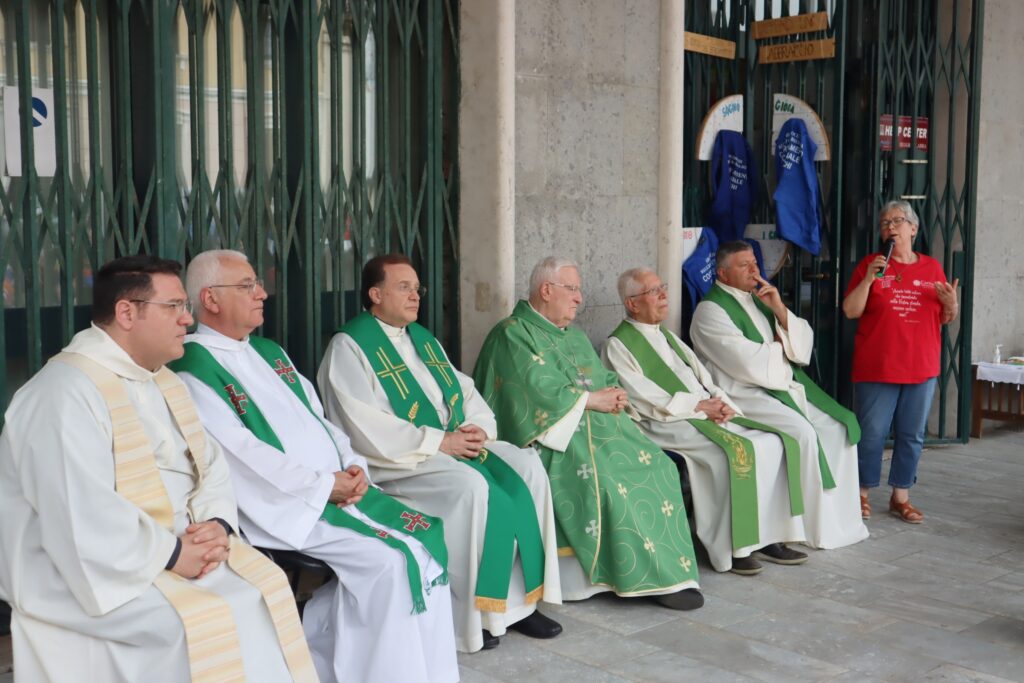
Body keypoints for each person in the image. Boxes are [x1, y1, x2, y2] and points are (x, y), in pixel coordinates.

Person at [0, 255, 316, 682]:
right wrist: (170, 553)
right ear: (127, 312)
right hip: (88, 574)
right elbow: (79, 512)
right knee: (208, 621)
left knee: (267, 591)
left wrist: (218, 525)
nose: (187, 319)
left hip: (174, 550)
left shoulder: (162, 380)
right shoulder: (64, 392)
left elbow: (210, 467)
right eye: (174, 307)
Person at [171, 250, 458, 683]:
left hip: (337, 490)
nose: (262, 293)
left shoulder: (269, 352)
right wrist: (323, 486)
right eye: (248, 285)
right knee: (390, 564)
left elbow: (321, 421)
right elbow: (240, 453)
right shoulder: (194, 367)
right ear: (210, 299)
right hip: (287, 504)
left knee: (426, 539)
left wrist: (354, 466)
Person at [317, 254, 563, 653]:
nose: (415, 296)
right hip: (397, 462)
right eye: (404, 288)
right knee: (469, 486)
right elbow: (364, 425)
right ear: (375, 294)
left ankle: (519, 604)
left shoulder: (422, 339)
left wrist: (478, 426)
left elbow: (464, 389)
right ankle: (474, 615)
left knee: (528, 465)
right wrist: (439, 443)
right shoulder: (349, 347)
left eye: (417, 288)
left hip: (445, 446)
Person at [473, 256, 704, 610]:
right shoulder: (511, 333)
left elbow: (602, 378)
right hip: (555, 436)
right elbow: (531, 392)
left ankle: (667, 572)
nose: (580, 298)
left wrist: (615, 395)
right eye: (573, 289)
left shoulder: (576, 337)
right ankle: (624, 573)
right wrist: (589, 400)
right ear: (546, 290)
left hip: (603, 427)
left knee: (660, 466)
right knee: (611, 479)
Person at [603, 267, 808, 575]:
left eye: (663, 287)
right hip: (665, 422)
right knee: (735, 453)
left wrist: (720, 402)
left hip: (701, 413)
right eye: (654, 291)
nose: (663, 296)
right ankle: (735, 548)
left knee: (773, 442)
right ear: (632, 303)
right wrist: (700, 407)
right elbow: (642, 397)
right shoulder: (617, 345)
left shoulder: (668, 337)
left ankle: (768, 537)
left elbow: (703, 376)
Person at [690, 242, 869, 549]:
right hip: (744, 393)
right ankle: (807, 527)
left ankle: (838, 520)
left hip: (779, 385)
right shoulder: (710, 310)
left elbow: (800, 346)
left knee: (838, 427)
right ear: (722, 273)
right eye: (744, 265)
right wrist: (779, 349)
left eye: (754, 263)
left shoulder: (759, 300)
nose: (754, 270)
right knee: (803, 433)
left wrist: (779, 310)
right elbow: (746, 362)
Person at [842, 201, 959, 523]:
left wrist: (952, 304)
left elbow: (944, 317)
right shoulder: (871, 265)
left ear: (913, 228)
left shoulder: (932, 268)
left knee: (912, 434)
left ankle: (901, 495)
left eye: (897, 221)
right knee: (872, 433)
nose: (890, 227)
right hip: (877, 366)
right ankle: (862, 493)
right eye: (885, 223)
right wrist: (868, 279)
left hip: (921, 366)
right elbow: (851, 311)